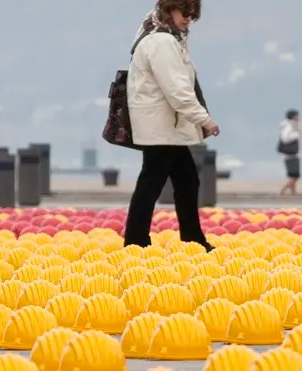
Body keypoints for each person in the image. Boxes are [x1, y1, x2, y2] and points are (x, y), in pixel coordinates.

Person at [123, 0, 219, 251]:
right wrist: (204, 120)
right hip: (161, 127)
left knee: (184, 181)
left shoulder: (159, 35)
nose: (188, 18)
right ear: (169, 10)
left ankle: (191, 240)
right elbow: (177, 90)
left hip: (165, 126)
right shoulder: (162, 43)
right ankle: (137, 242)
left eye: (192, 14)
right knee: (154, 182)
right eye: (184, 11)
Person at [278, 109, 302, 195]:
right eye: (297, 115)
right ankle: (282, 190)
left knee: (293, 175)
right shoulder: (289, 126)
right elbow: (285, 138)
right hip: (290, 155)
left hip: (294, 154)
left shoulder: (293, 125)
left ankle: (293, 193)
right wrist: (295, 136)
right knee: (294, 176)